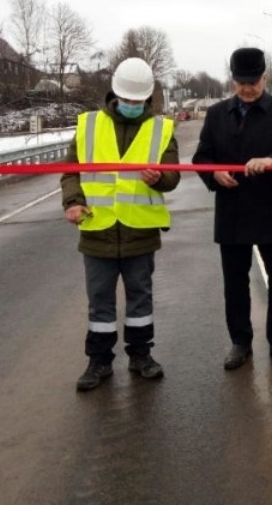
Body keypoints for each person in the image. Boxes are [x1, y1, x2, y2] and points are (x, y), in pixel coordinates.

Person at [61, 57, 181, 391]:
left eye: (137, 101)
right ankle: (99, 362)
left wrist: (159, 178)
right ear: (114, 93)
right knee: (99, 300)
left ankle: (141, 355)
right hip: (97, 229)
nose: (131, 106)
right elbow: (71, 172)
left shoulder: (161, 128)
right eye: (126, 100)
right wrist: (73, 202)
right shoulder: (88, 125)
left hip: (139, 231)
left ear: (147, 99)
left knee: (140, 299)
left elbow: (173, 176)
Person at [192, 47, 272, 371]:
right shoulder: (216, 115)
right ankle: (240, 342)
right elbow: (201, 158)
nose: (247, 88)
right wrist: (214, 173)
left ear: (264, 78)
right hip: (232, 212)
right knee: (235, 281)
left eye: (253, 82)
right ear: (233, 81)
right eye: (241, 82)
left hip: (271, 209)